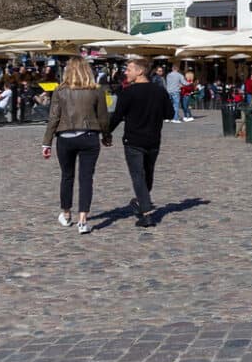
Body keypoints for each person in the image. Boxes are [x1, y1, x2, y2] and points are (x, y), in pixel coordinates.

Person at [42, 57, 111, 235]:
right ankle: (82, 220)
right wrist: (106, 135)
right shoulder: (96, 90)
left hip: (65, 136)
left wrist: (46, 141)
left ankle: (66, 214)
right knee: (86, 178)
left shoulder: (60, 90)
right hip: (89, 135)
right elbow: (103, 117)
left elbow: (54, 117)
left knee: (67, 176)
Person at [109, 57, 176, 228]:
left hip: (134, 140)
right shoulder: (159, 91)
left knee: (138, 175)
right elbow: (169, 113)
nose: (126, 72)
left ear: (140, 71)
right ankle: (141, 203)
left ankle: (146, 213)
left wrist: (105, 133)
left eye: (129, 69)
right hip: (153, 139)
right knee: (147, 174)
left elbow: (117, 117)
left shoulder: (128, 92)